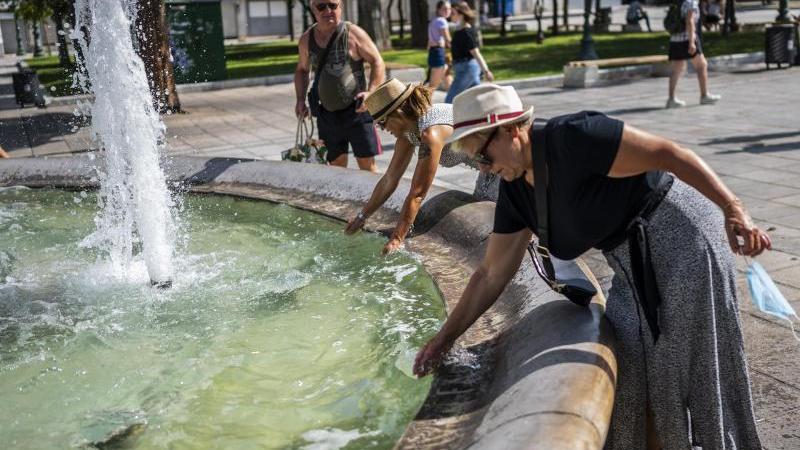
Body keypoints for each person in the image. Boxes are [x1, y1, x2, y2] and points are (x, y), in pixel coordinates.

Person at [413, 84, 769, 450]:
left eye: (483, 157)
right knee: (627, 371)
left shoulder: (574, 138)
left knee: (683, 367)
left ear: (510, 129)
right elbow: (490, 274)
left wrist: (733, 208)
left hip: (681, 234)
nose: (484, 168)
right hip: (629, 261)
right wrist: (444, 339)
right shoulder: (516, 192)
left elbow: (670, 154)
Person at [346, 78, 498, 254]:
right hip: (488, 170)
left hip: (505, 163)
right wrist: (362, 217)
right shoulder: (409, 133)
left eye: (382, 122)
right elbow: (389, 178)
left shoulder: (430, 133)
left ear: (398, 113)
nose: (382, 129)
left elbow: (418, 193)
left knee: (507, 224)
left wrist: (397, 239)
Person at [294, 0, 385, 172]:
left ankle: (373, 199)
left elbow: (377, 61)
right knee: (336, 167)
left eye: (332, 5)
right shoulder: (307, 39)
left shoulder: (354, 33)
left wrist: (371, 93)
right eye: (321, 6)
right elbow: (301, 70)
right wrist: (300, 100)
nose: (328, 10)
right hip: (326, 115)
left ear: (340, 6)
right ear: (313, 9)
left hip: (357, 111)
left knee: (367, 166)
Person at [667, 0, 720, 108]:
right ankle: (704, 96)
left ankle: (671, 99)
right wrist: (692, 42)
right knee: (702, 65)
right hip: (687, 39)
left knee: (676, 69)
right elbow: (690, 21)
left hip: (675, 39)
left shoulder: (680, 2)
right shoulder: (691, 2)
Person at [444, 2, 493, 104]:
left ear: (461, 14)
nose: (450, 15)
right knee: (475, 102)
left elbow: (476, 53)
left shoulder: (467, 32)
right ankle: (487, 117)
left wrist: (486, 71)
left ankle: (441, 120)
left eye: (453, 13)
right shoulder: (458, 31)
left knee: (449, 100)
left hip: (467, 69)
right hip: (462, 68)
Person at [427, 1, 453, 91]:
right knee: (433, 85)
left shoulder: (434, 20)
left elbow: (429, 41)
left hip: (434, 52)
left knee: (448, 78)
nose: (447, 11)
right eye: (444, 9)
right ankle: (422, 104)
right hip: (438, 53)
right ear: (438, 10)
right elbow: (448, 39)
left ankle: (453, 101)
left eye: (449, 8)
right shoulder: (442, 21)